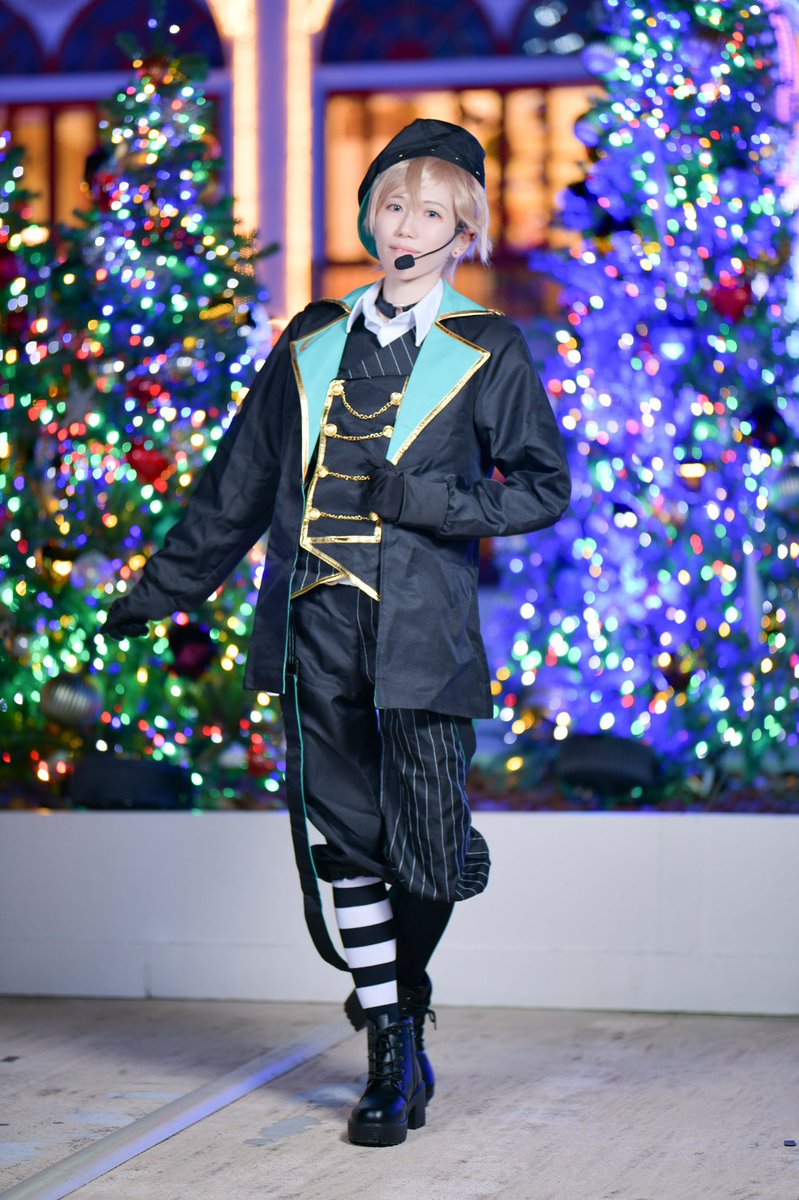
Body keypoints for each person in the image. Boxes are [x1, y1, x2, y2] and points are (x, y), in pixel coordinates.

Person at [104, 118, 571, 1147]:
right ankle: (390, 1057)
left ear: (461, 234)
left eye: (432, 213)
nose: (407, 226)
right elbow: (239, 484)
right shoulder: (311, 339)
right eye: (394, 204)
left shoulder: (487, 347)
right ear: (371, 214)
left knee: (433, 857)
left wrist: (430, 502)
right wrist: (160, 592)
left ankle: (396, 995)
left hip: (420, 638)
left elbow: (543, 487)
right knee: (347, 848)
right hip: (313, 625)